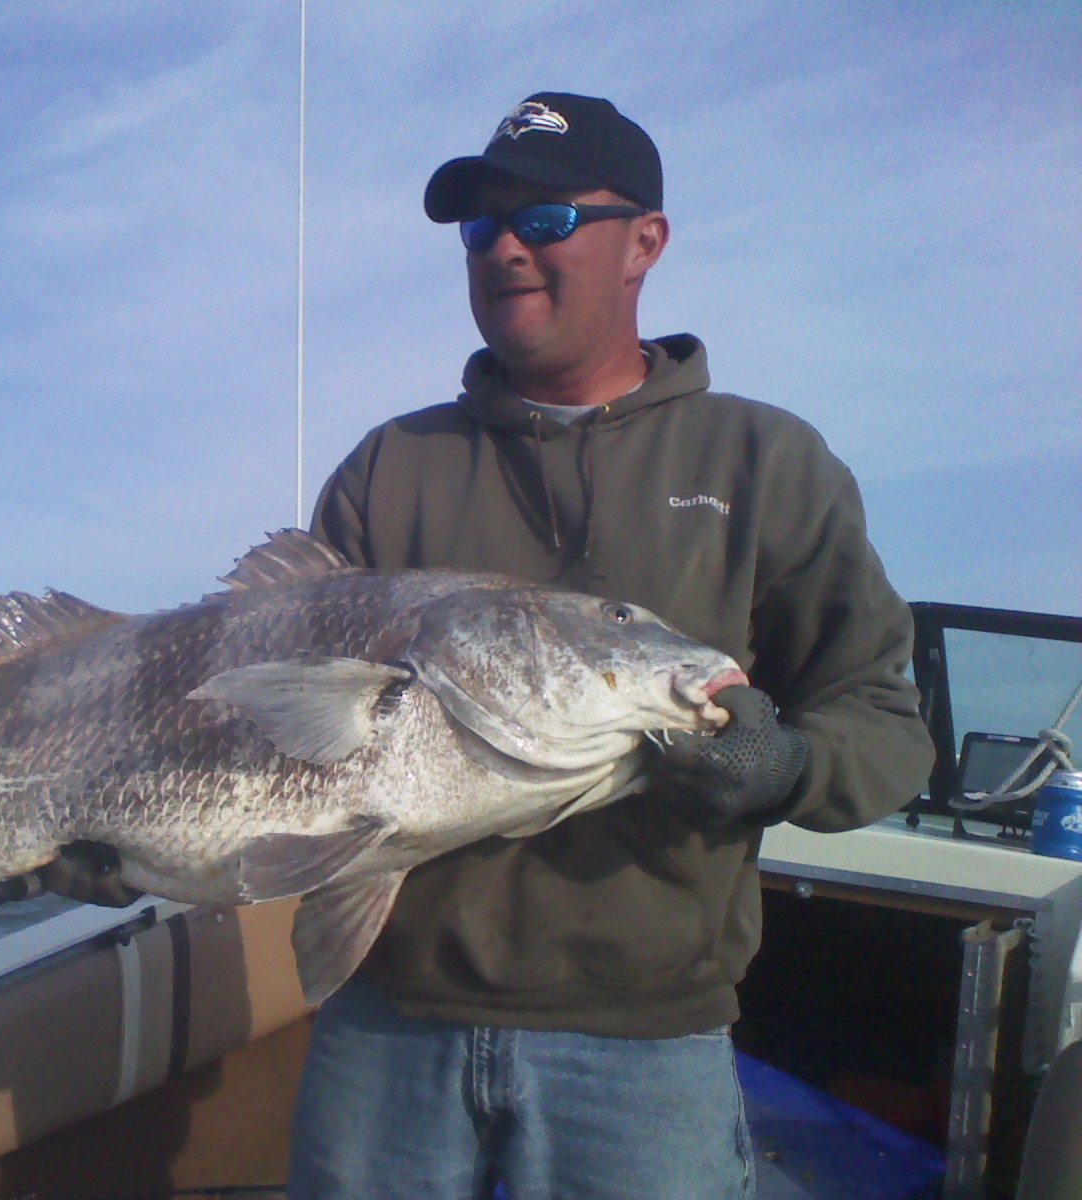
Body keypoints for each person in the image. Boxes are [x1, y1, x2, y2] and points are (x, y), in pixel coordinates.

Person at [281, 92, 936, 1199]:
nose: (504, 250)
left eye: (542, 220)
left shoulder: (766, 462)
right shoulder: (387, 468)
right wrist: (98, 817)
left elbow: (884, 727)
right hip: (386, 1023)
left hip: (643, 1046)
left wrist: (786, 766)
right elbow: (283, 727)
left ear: (646, 241)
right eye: (480, 227)